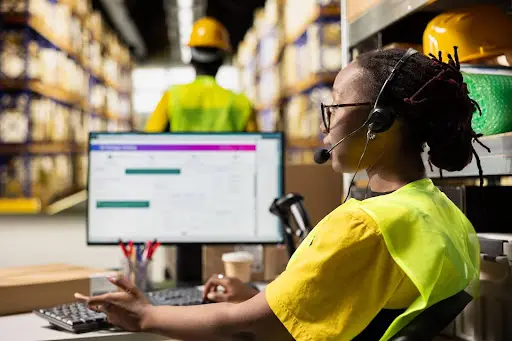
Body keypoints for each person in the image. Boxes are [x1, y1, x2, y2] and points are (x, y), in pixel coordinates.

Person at [75, 47, 482, 341]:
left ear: (380, 122)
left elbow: (250, 325)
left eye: (337, 107)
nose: (327, 126)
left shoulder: (363, 226)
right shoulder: (446, 215)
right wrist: (260, 296)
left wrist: (147, 315)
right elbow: (365, 301)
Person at [144, 17, 258, 133]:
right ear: (222, 60)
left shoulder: (172, 98)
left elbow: (150, 140)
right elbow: (257, 146)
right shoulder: (242, 104)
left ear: (192, 60)